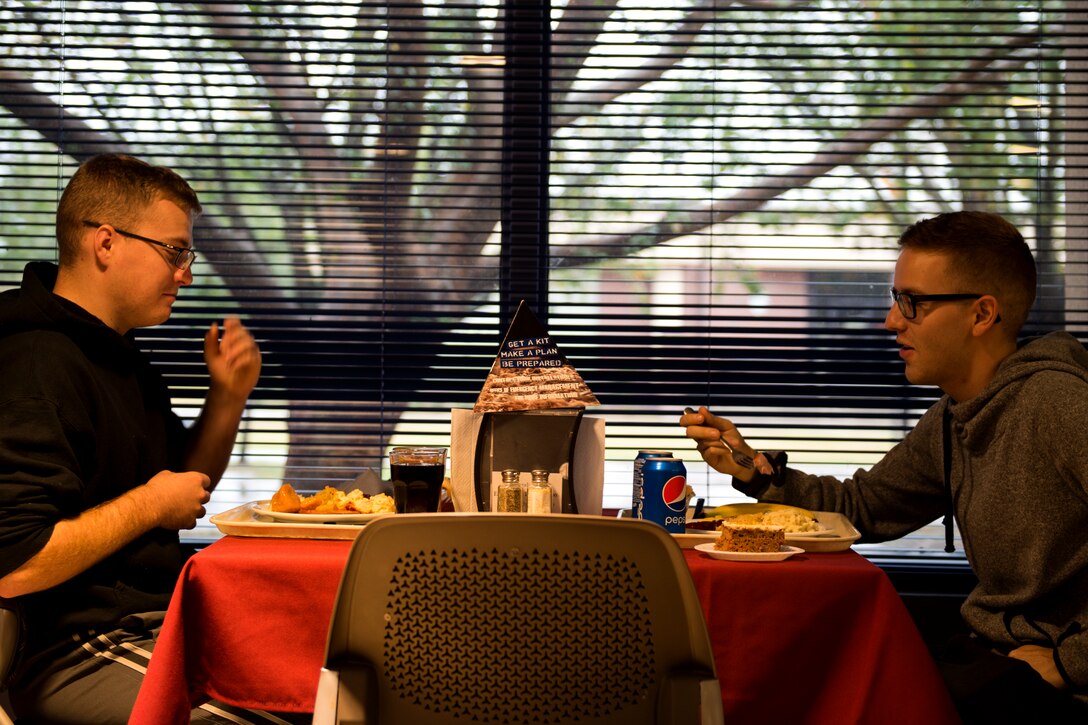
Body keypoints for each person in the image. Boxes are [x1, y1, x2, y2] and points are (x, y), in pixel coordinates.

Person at [680, 210, 1088, 723]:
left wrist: (1068, 663)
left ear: (982, 314)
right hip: (990, 658)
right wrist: (748, 467)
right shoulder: (955, 415)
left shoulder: (1059, 405)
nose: (892, 321)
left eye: (912, 303)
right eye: (897, 300)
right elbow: (863, 507)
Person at [0, 155, 284, 724]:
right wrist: (150, 503)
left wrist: (227, 398)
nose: (187, 274)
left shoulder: (120, 356)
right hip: (73, 651)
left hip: (154, 622)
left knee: (322, 694)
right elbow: (17, 563)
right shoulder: (36, 363)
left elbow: (182, 484)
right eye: (175, 252)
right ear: (106, 243)